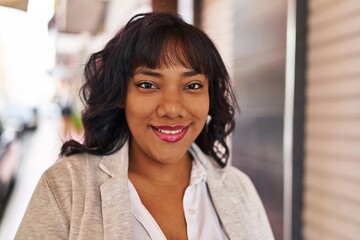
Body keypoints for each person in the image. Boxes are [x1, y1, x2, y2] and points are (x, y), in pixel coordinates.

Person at [15, 12, 274, 240]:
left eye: (192, 86)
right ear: (120, 95)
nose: (172, 108)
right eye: (148, 85)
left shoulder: (240, 189)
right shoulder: (67, 187)